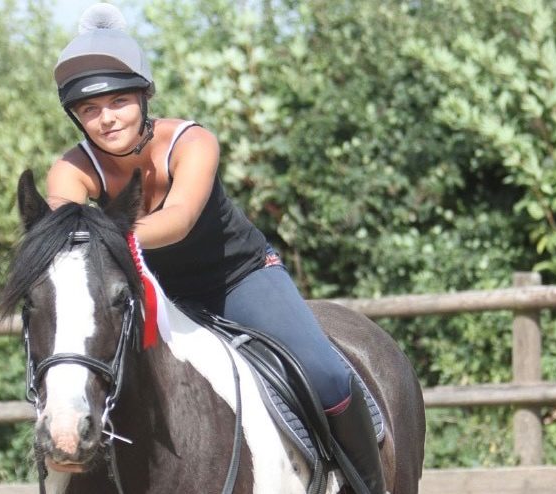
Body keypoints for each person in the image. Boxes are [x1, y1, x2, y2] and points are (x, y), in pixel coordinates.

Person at [46, 3, 385, 493]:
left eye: (118, 101)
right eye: (89, 110)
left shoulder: (192, 141)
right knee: (72, 375)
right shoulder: (71, 171)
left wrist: (103, 235)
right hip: (153, 293)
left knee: (325, 371)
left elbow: (178, 220)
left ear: (145, 96)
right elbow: (64, 245)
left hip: (238, 279)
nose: (106, 119)